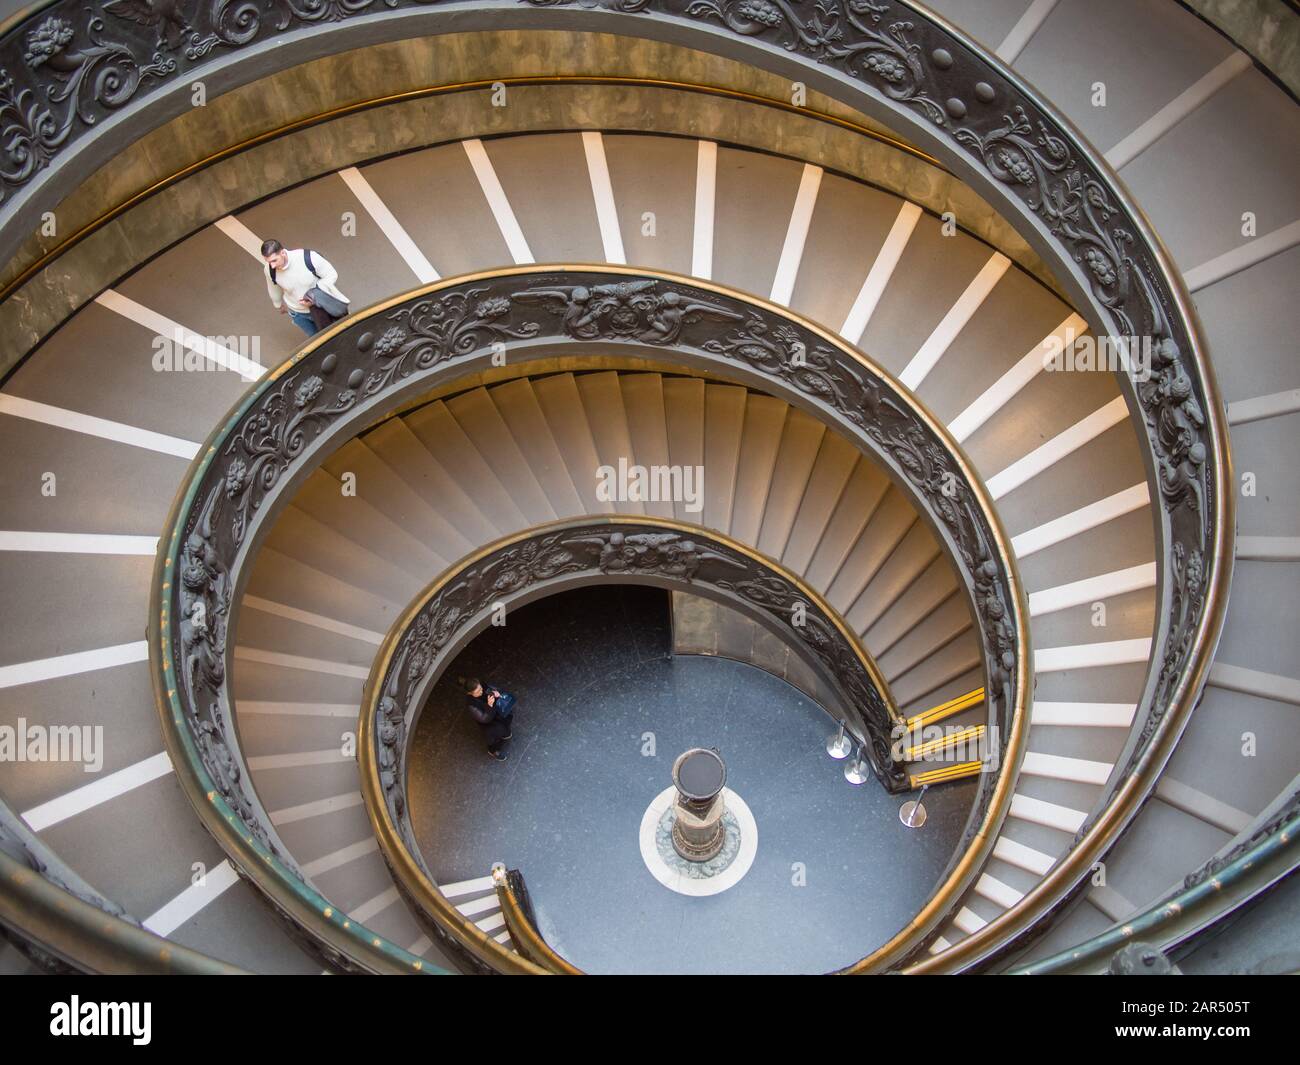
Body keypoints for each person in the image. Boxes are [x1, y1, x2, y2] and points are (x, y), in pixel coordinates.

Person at [261, 239, 350, 337]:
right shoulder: (269, 270)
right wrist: (278, 304)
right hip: (298, 314)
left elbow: (331, 274)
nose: (272, 266)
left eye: (274, 260)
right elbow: (273, 287)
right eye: (268, 262)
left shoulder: (308, 258)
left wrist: (313, 296)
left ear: (282, 253)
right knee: (317, 342)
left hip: (321, 308)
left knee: (339, 334)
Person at [463, 677, 516, 761]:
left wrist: (496, 692)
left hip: (496, 712)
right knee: (494, 734)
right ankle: (493, 750)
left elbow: (491, 688)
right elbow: (484, 719)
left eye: (480, 688)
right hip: (488, 721)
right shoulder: (471, 704)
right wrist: (489, 706)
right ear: (470, 693)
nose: (481, 692)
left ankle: (505, 732)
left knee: (506, 719)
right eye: (477, 692)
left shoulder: (481, 686)